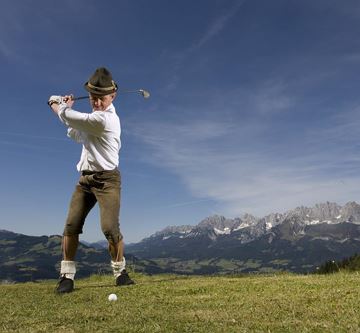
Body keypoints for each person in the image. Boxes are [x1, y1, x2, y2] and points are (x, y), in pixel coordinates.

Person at [48, 67, 134, 293]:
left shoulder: (106, 120)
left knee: (109, 228)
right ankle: (66, 276)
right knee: (71, 224)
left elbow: (69, 117)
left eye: (101, 98)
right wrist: (65, 111)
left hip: (108, 181)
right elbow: (76, 131)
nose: (96, 103)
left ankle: (120, 273)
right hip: (85, 180)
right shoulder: (93, 119)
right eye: (93, 98)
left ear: (112, 96)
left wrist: (57, 104)